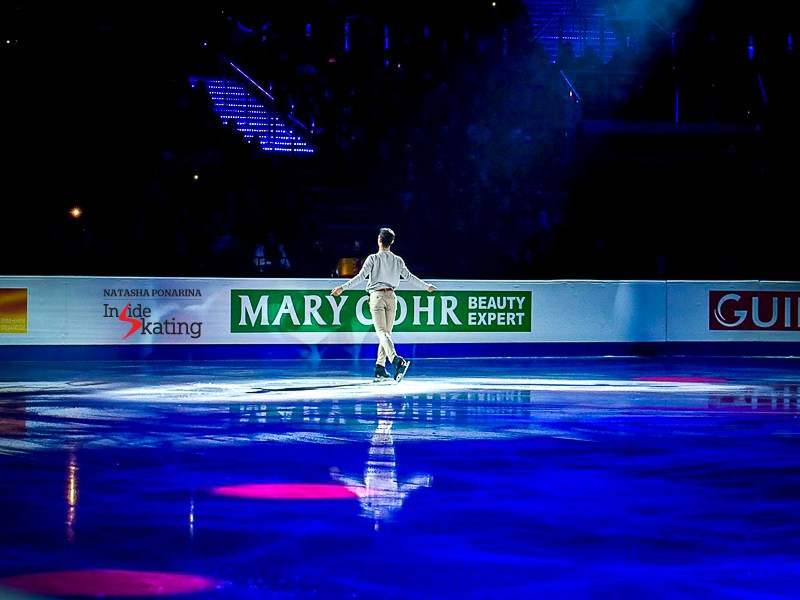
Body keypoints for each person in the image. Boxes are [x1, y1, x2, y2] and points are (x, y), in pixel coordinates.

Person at [331, 227, 436, 382]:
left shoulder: (373, 259)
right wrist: (426, 286)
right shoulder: (397, 260)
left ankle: (395, 360)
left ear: (379, 240)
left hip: (377, 296)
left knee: (382, 333)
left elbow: (360, 277)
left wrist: (342, 287)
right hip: (392, 297)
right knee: (386, 333)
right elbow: (409, 277)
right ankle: (380, 367)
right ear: (392, 242)